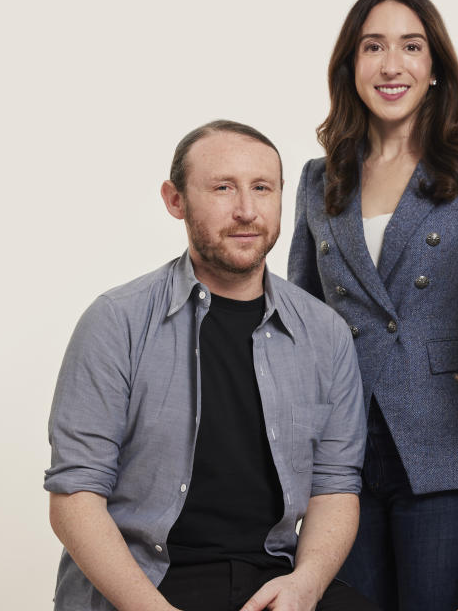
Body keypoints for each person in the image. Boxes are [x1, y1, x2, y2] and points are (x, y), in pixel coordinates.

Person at [44, 120, 377, 611]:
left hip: (270, 579)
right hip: (145, 585)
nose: (247, 210)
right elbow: (74, 498)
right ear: (175, 200)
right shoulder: (117, 322)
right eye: (223, 188)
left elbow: (335, 488)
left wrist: (304, 585)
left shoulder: (325, 335)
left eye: (262, 188)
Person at [287, 0, 458, 611]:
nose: (391, 65)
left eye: (411, 46)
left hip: (451, 439)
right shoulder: (319, 178)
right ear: (350, 66)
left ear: (436, 66)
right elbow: (301, 316)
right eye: (373, 47)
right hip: (342, 454)